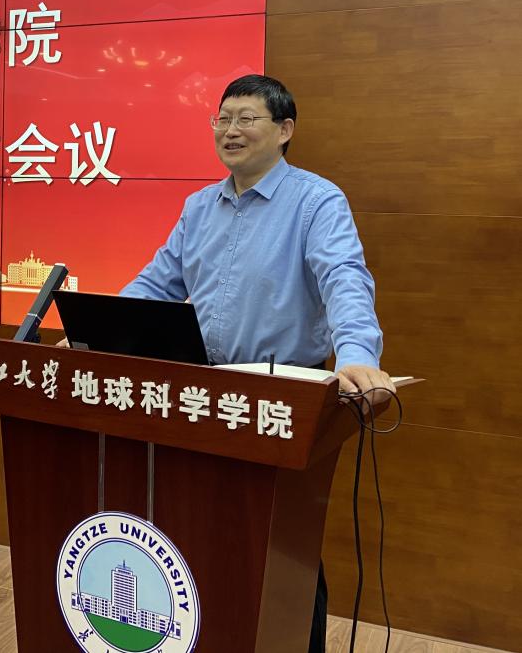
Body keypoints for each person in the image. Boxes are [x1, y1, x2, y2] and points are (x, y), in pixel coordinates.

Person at [120, 73, 394, 653]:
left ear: (284, 129)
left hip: (280, 396)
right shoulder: (199, 206)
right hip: (203, 393)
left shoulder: (316, 201)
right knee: (205, 532)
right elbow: (157, 284)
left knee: (283, 542)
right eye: (223, 119)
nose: (231, 130)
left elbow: (344, 277)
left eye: (247, 119)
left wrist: (357, 355)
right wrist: (98, 332)